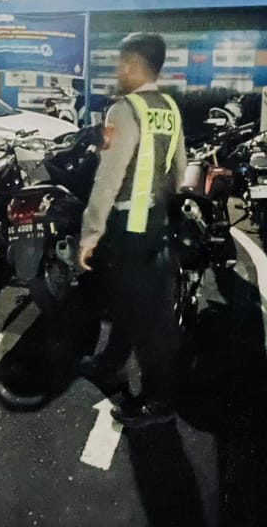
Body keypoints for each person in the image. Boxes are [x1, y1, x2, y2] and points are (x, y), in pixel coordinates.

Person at [78, 32, 187, 428]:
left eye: (121, 63)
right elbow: (178, 169)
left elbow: (109, 176)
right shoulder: (169, 108)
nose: (118, 71)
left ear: (133, 64)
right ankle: (110, 361)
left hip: (127, 225)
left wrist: (91, 232)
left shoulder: (124, 110)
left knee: (149, 318)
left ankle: (158, 399)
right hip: (156, 222)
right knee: (129, 301)